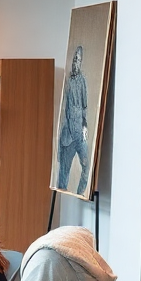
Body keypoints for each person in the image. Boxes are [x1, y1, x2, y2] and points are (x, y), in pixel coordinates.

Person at [57, 44, 90, 194]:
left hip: (79, 134)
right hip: (67, 136)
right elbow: (62, 110)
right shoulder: (66, 81)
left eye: (79, 60)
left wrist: (84, 127)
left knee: (86, 165)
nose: (76, 62)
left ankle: (80, 193)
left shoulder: (82, 81)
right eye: (74, 59)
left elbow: (84, 106)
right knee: (63, 173)